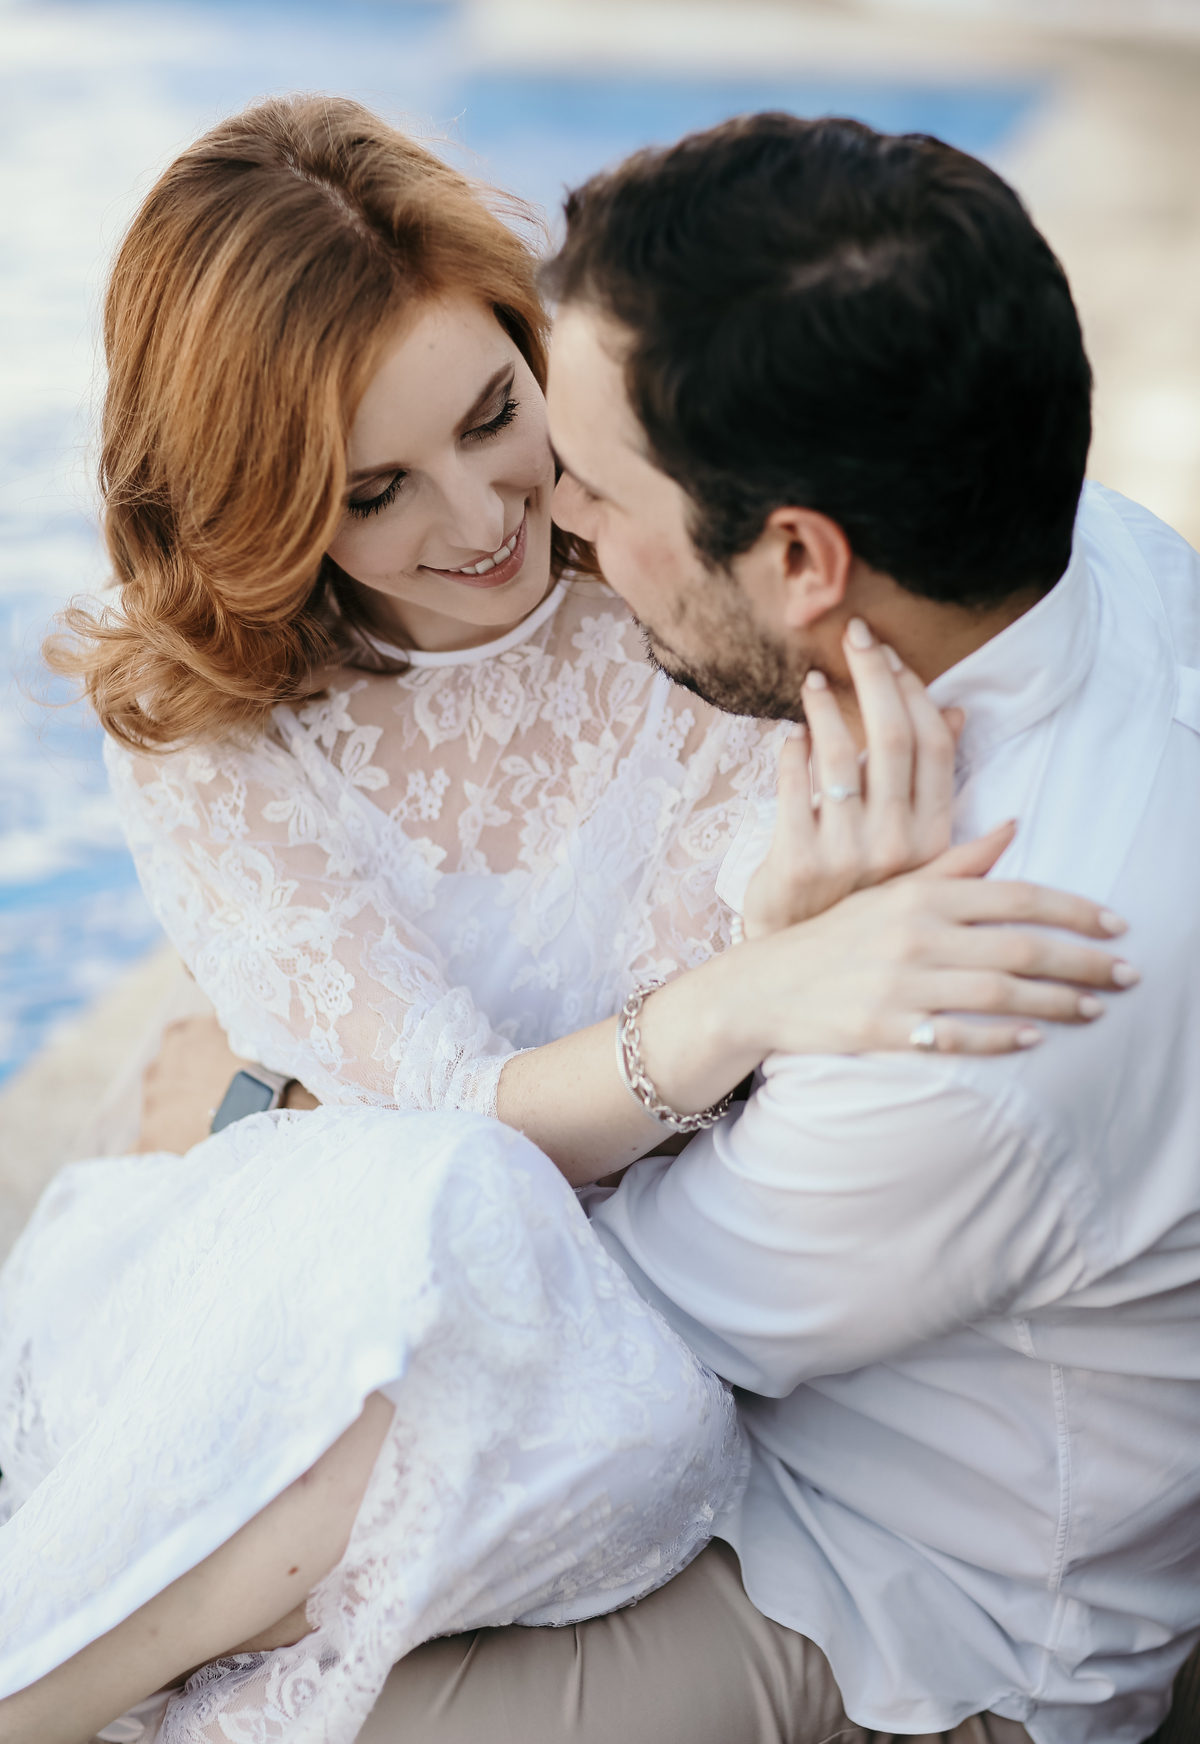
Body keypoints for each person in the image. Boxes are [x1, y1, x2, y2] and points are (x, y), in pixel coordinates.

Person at [0, 99, 1136, 1744]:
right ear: (263, 509)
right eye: (373, 490)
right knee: (433, 1219)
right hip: (346, 1290)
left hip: (598, 1358)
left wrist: (787, 944)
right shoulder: (216, 735)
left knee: (456, 1258)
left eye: (494, 415)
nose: (477, 522)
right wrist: (749, 991)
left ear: (536, 353)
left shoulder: (685, 580)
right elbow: (452, 1124)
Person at [357, 113, 1200, 1744]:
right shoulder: (1059, 542)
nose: (558, 529)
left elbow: (565, 1326)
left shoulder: (996, 984)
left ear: (804, 557)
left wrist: (753, 960)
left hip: (909, 1587)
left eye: (596, 489)